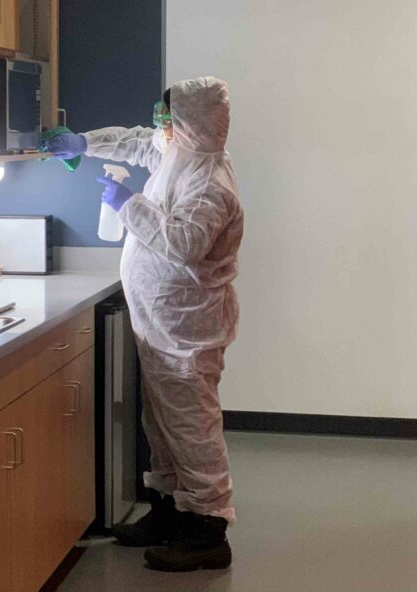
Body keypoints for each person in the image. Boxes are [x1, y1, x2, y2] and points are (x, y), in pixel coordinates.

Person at [43, 77, 244, 573]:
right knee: (162, 425)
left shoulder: (209, 184)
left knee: (192, 427)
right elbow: (137, 142)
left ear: (190, 123)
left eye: (166, 116)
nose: (158, 124)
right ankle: (170, 513)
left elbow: (184, 245)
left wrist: (126, 204)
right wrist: (84, 142)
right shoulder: (178, 154)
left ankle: (207, 532)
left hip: (187, 329)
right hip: (161, 322)